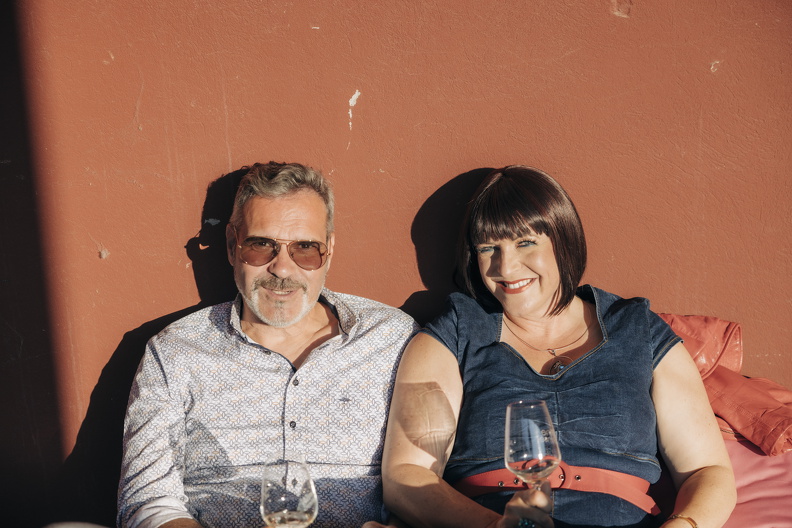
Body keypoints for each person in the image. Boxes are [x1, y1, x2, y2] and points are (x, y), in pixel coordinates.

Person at [381, 166, 736, 528]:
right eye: (488, 248)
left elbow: (708, 469)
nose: (506, 267)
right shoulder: (456, 333)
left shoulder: (637, 330)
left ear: (563, 240)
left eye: (525, 242)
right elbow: (406, 475)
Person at [117, 162, 418, 528]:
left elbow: (431, 477)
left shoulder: (392, 339)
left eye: (305, 248)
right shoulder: (176, 352)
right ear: (232, 246)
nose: (282, 269)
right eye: (261, 246)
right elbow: (147, 502)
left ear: (329, 250)